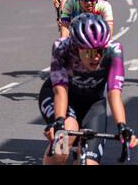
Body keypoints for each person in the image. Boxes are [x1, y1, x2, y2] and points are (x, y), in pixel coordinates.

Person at [39, 13, 137, 165]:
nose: (97, 57)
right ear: (77, 48)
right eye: (90, 52)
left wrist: (122, 126)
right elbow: (60, 90)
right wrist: (58, 122)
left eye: (100, 51)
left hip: (93, 103)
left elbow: (114, 93)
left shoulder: (114, 50)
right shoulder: (62, 47)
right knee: (64, 139)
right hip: (63, 98)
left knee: (90, 163)